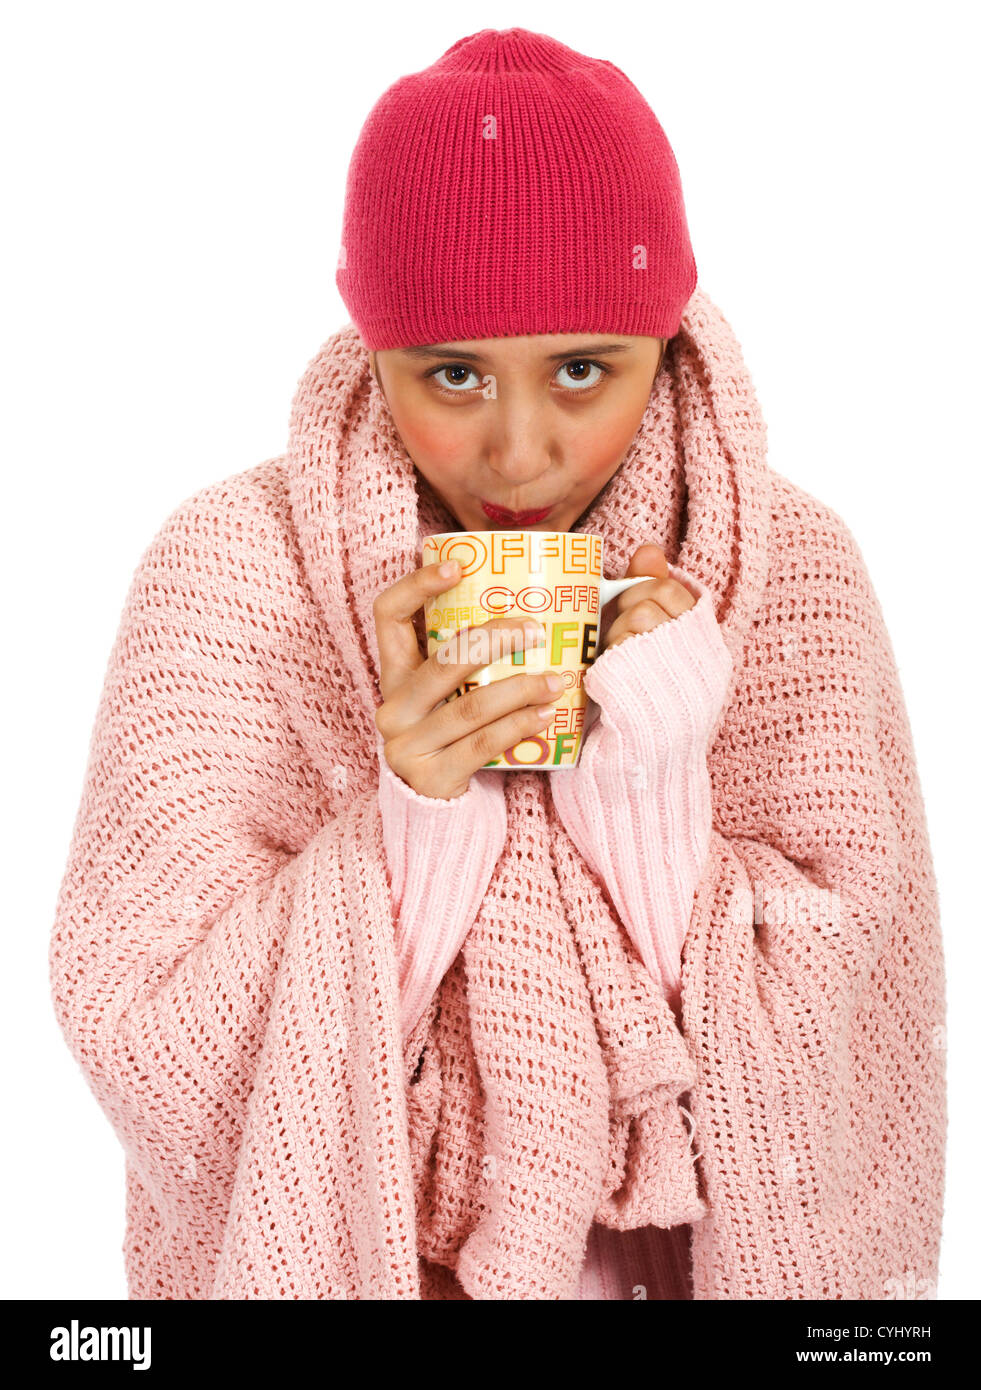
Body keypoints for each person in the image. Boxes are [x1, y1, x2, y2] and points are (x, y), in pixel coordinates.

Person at [49, 27, 947, 1301]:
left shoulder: (791, 573)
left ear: (670, 341)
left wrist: (650, 786)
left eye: (584, 370)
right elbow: (151, 1036)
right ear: (374, 344)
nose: (520, 457)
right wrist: (414, 828)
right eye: (454, 375)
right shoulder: (233, 573)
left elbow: (863, 1035)